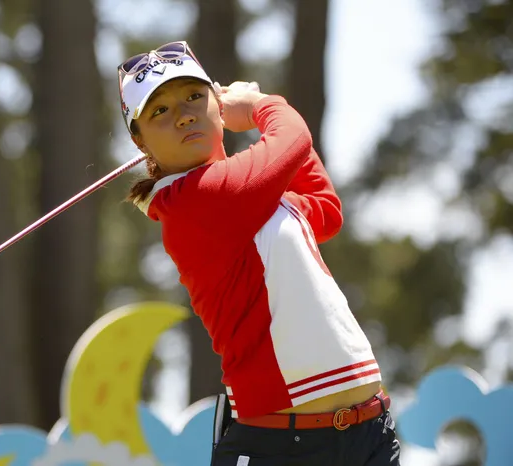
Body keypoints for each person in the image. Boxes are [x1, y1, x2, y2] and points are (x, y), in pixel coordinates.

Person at [117, 41, 401, 465]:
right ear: (140, 142)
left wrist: (262, 116)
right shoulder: (192, 201)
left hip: (369, 435)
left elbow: (324, 210)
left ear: (215, 104)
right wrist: (259, 105)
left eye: (193, 96)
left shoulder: (253, 195)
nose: (184, 114)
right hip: (281, 448)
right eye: (160, 110)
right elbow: (293, 137)